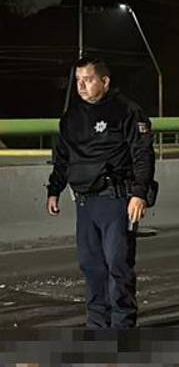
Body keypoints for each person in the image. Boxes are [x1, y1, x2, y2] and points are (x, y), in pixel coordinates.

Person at [46, 57, 155, 328]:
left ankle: (122, 330)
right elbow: (62, 157)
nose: (82, 86)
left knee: (118, 267)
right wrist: (54, 189)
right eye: (78, 81)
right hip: (85, 202)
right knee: (92, 267)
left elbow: (142, 154)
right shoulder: (71, 117)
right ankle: (97, 327)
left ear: (104, 81)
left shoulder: (127, 111)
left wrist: (139, 193)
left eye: (88, 79)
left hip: (117, 200)